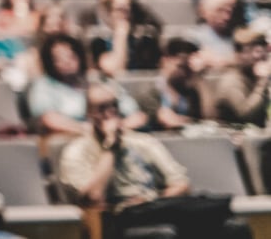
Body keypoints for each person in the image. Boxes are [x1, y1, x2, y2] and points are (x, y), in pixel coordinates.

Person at [57, 82, 250, 239]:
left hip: (154, 208)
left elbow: (181, 184)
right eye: (102, 108)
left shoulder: (142, 142)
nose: (110, 112)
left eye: (114, 105)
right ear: (89, 114)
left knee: (234, 228)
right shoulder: (76, 152)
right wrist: (110, 149)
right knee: (164, 234)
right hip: (114, 219)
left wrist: (152, 200)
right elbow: (93, 198)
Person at [211, 26, 271, 129]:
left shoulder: (254, 77)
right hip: (229, 141)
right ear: (238, 54)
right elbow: (247, 116)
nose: (258, 56)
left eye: (262, 50)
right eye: (251, 51)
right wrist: (263, 81)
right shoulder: (231, 80)